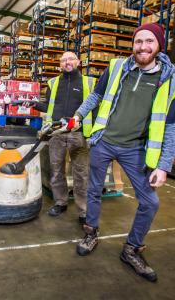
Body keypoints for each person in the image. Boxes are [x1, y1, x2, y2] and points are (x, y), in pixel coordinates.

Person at [74, 23, 175, 282]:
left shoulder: (170, 79)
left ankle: (132, 248)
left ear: (160, 45)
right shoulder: (117, 66)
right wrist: (77, 116)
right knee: (94, 190)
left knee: (150, 202)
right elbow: (95, 97)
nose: (143, 46)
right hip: (104, 141)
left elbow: (171, 126)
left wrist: (163, 165)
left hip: (136, 149)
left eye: (149, 41)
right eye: (138, 41)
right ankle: (91, 232)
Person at [37, 51, 96, 224]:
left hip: (79, 134)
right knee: (56, 171)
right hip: (56, 133)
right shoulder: (53, 83)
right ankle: (60, 202)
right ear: (60, 64)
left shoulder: (89, 82)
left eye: (70, 59)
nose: (67, 62)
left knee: (81, 173)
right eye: (63, 60)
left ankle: (84, 210)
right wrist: (34, 104)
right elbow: (48, 106)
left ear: (78, 62)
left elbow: (96, 107)